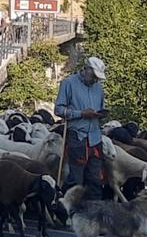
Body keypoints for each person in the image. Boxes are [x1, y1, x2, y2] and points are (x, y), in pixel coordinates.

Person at [55, 56, 107, 200]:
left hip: (95, 138)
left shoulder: (98, 88)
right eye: (94, 76)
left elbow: (101, 107)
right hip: (78, 137)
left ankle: (94, 215)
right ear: (86, 69)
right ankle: (67, 210)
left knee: (95, 180)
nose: (96, 80)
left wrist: (101, 114)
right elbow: (58, 110)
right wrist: (81, 114)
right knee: (76, 180)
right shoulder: (68, 83)